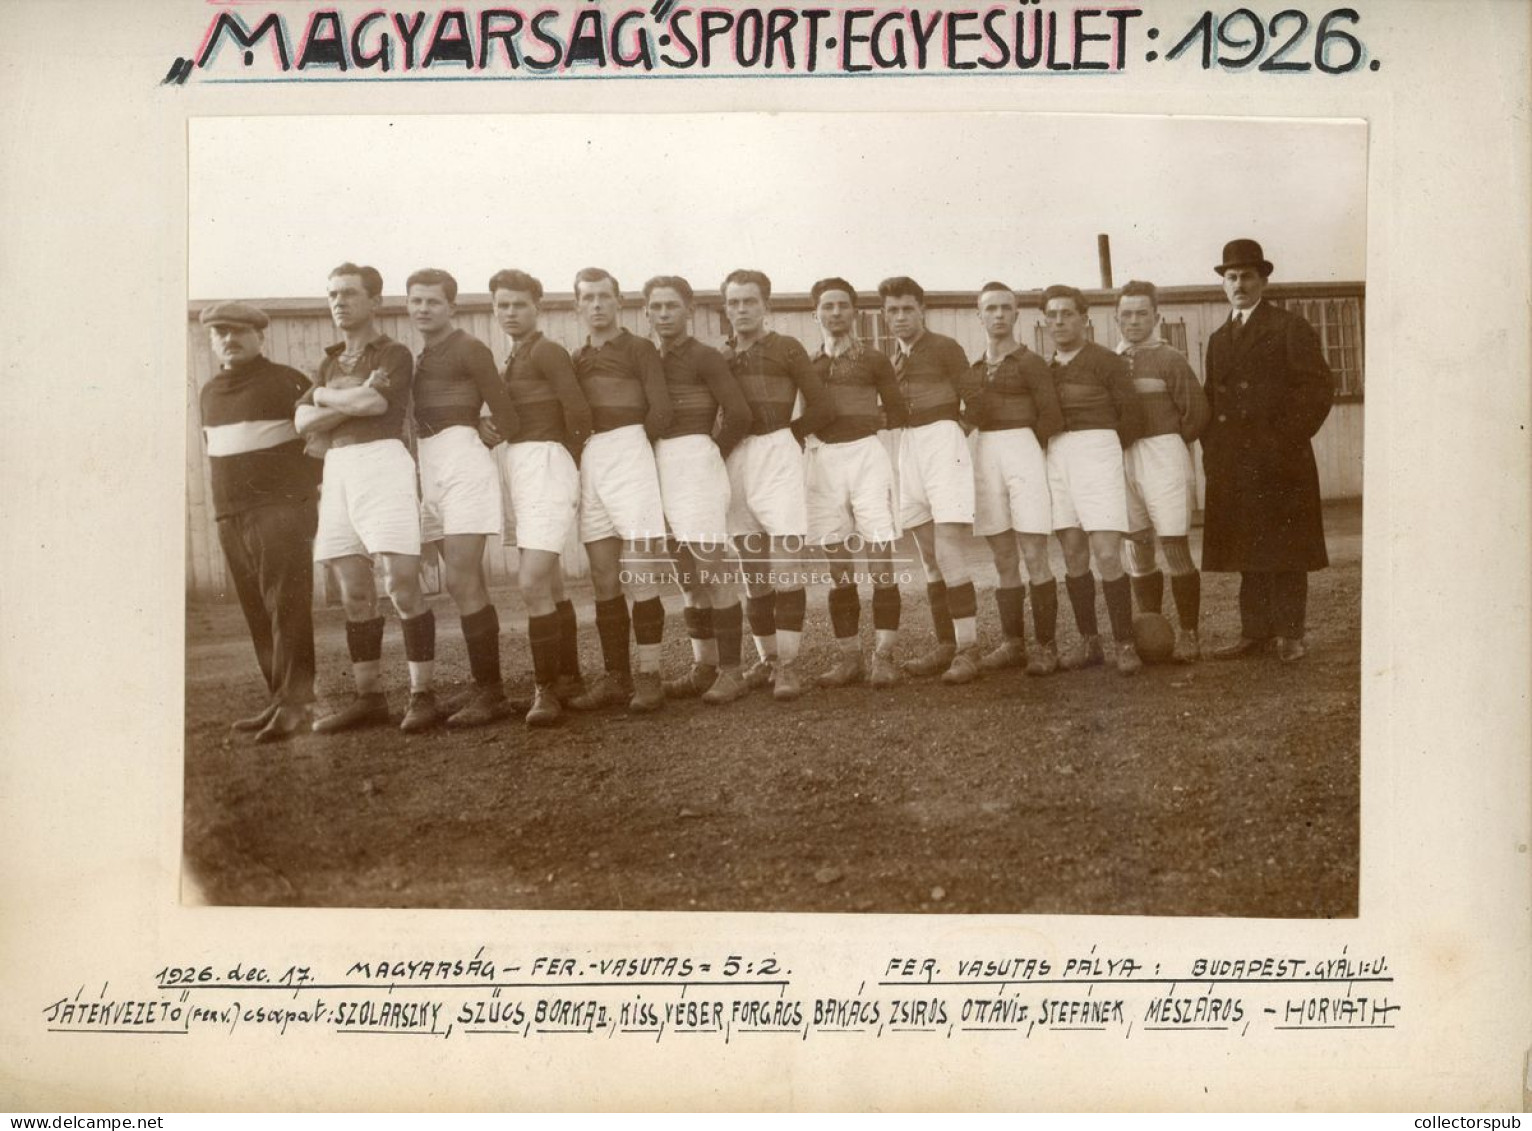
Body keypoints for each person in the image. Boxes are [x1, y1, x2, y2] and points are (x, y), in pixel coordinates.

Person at [296, 264, 434, 734]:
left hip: (383, 462)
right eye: (332, 293)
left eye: (350, 293)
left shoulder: (393, 353)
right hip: (338, 468)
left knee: (400, 582)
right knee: (353, 587)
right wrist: (340, 395)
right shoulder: (329, 362)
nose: (339, 301)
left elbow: (376, 407)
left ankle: (423, 694)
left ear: (374, 301)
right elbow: (300, 423)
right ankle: (369, 698)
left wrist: (324, 402)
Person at [1202, 239, 1335, 662]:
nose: (1239, 284)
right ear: (1224, 285)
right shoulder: (1220, 337)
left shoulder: (1288, 327)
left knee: (1286, 548)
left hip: (1281, 461)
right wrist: (1214, 451)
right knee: (1247, 548)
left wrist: (1283, 440)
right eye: (1232, 277)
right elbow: (1212, 398)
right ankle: (1254, 633)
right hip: (1235, 463)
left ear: (1263, 281)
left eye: (1247, 276)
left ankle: (1291, 634)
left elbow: (1317, 389)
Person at [197, 301, 322, 743]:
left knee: (285, 604)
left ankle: (299, 705)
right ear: (212, 340)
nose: (229, 340)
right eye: (220, 333)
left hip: (279, 513)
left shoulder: (286, 382)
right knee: (256, 608)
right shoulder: (209, 392)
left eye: (239, 332)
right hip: (231, 515)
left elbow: (320, 443)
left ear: (259, 336)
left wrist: (298, 503)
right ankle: (278, 698)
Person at [406, 268, 521, 728]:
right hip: (429, 464)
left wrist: (481, 433)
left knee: (460, 579)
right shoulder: (421, 356)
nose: (422, 309)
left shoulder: (470, 347)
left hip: (463, 464)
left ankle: (491, 692)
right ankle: (483, 685)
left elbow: (506, 413)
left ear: (451, 306)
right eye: (415, 301)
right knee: (459, 580)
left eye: (432, 301)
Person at [481, 268, 592, 726]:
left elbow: (578, 412)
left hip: (547, 462)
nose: (510, 312)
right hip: (521, 465)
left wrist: (563, 460)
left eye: (519, 304)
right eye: (502, 305)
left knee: (530, 583)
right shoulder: (511, 357)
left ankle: (544, 689)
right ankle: (568, 677)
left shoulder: (546, 351)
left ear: (537, 307)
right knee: (550, 583)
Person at [719, 268, 835, 702]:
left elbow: (821, 405)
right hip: (734, 455)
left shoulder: (786, 347)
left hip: (778, 452)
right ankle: (767, 659)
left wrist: (789, 436)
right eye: (734, 302)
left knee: (785, 561)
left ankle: (789, 665)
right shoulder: (720, 355)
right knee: (751, 567)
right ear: (725, 308)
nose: (742, 309)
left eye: (750, 301)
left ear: (766, 305)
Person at [565, 267, 675, 713]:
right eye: (587, 297)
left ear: (619, 301)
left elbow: (662, 410)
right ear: (577, 305)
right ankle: (616, 677)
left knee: (641, 571)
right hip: (594, 458)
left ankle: (650, 677)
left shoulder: (639, 347)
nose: (596, 305)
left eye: (604, 297)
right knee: (604, 575)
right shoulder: (576, 358)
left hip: (631, 451)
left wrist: (633, 449)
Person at [642, 275, 755, 707]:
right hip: (656, 464)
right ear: (648, 312)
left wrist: (709, 453)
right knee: (686, 576)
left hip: (696, 462)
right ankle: (703, 666)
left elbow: (739, 413)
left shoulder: (706, 357)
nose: (664, 314)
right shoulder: (646, 357)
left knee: (713, 570)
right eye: (656, 307)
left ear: (688, 310)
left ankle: (732, 672)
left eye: (672, 306)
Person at [879, 277, 984, 685]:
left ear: (922, 309)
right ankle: (946, 645)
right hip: (910, 448)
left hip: (943, 442)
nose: (900, 317)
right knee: (928, 556)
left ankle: (968, 649)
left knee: (949, 548)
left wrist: (952, 435)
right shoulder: (894, 360)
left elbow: (975, 401)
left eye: (907, 308)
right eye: (893, 310)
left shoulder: (945, 347)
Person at [804, 277, 908, 690]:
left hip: (866, 456)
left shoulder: (875, 359)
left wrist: (863, 421)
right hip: (824, 462)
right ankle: (849, 657)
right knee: (839, 567)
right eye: (827, 306)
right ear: (816, 314)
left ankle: (884, 656)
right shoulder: (809, 365)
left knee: (880, 560)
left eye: (843, 305)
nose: (835, 313)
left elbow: (896, 410)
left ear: (854, 312)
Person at [962, 282, 1066, 675]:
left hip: (1024, 450)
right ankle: (1013, 643)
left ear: (1017, 314)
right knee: (1002, 556)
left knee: (1034, 553)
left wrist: (1026, 446)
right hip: (986, 453)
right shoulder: (971, 370)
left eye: (1006, 308)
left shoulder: (1032, 362)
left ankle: (1046, 646)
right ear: (980, 315)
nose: (999, 315)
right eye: (991, 308)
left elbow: (1051, 416)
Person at [1041, 284, 1145, 675]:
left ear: (1085, 319)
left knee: (1106, 551)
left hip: (1099, 451)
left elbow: (1132, 415)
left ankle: (1125, 643)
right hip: (1057, 454)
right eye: (1051, 315)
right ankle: (1090, 643)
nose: (1059, 322)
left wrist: (1104, 451)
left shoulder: (1106, 361)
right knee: (1072, 552)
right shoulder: (1045, 368)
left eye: (1066, 314)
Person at [1114, 279, 1211, 662]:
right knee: (1136, 545)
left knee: (1173, 543)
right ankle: (1150, 629)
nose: (1134, 321)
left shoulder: (1170, 358)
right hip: (1123, 457)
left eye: (1142, 313)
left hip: (1163, 454)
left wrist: (1168, 440)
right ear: (1116, 317)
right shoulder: (1111, 359)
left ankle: (1189, 634)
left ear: (1157, 316)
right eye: (1126, 314)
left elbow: (1197, 414)